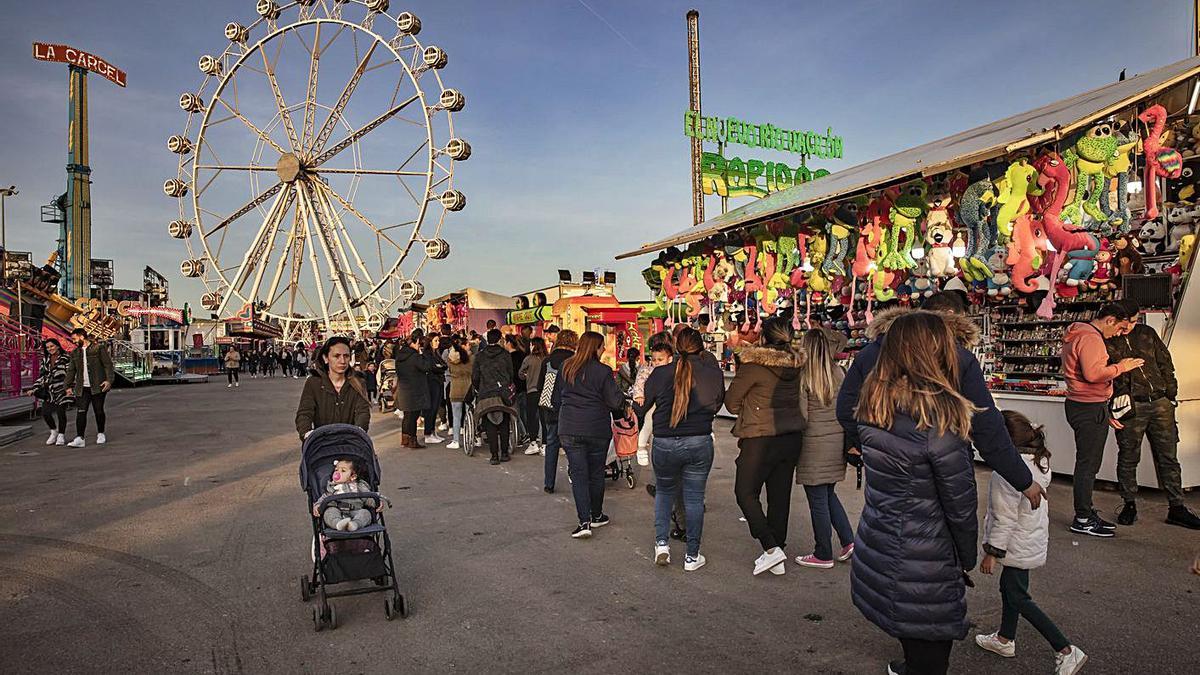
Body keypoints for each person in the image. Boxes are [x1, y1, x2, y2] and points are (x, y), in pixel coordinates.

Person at [851, 311, 980, 675]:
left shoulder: (874, 406)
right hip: (927, 555)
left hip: (883, 537)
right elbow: (961, 506)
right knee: (931, 652)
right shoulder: (938, 423)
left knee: (911, 633)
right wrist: (965, 557)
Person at [838, 296, 1042, 511]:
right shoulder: (958, 358)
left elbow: (846, 408)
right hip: (946, 468)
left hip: (887, 469)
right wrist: (1022, 480)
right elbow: (986, 427)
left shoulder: (872, 352)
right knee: (947, 529)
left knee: (886, 523)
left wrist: (877, 446)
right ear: (953, 318)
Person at [975, 411, 1088, 675]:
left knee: (1017, 595)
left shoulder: (1008, 473)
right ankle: (1005, 639)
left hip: (1014, 543)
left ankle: (1066, 649)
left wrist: (992, 552)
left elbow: (1004, 517)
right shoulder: (1038, 461)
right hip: (1029, 539)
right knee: (1010, 589)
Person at [634, 328, 724, 571]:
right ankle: (692, 556)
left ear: (676, 347)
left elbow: (643, 408)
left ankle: (661, 544)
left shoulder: (660, 373)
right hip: (698, 440)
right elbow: (717, 403)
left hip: (664, 441)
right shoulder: (711, 373)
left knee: (664, 493)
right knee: (694, 499)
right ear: (701, 348)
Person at [1105, 301, 1200, 529]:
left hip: (1159, 402)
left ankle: (1176, 507)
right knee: (1128, 457)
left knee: (1168, 456)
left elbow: (1165, 361)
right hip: (1129, 406)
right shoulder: (1107, 339)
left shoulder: (1147, 333)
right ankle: (1129, 504)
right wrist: (1111, 405)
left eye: (1137, 320)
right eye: (1131, 320)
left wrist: (1170, 393)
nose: (1134, 325)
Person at [724, 317, 808, 576]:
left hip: (760, 437)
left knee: (745, 492)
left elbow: (731, 402)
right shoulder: (799, 364)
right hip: (792, 435)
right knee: (779, 496)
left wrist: (750, 411)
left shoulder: (753, 366)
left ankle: (771, 548)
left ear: (763, 337)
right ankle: (776, 553)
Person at [1061, 302, 1143, 537]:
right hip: (1088, 406)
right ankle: (1083, 517)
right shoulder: (1091, 338)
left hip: (1082, 404)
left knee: (1087, 463)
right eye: (1119, 328)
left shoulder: (1077, 333)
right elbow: (1094, 374)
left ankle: (1085, 513)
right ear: (1109, 320)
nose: (1118, 334)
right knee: (1088, 465)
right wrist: (1121, 367)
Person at [794, 327, 856, 569]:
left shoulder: (805, 377)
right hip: (836, 441)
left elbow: (802, 416)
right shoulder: (838, 373)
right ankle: (848, 541)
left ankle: (823, 552)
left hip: (813, 444)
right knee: (828, 494)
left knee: (817, 500)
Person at [558, 330, 626, 538]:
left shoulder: (567, 367)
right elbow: (614, 401)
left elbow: (559, 394)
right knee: (596, 473)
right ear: (595, 348)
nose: (604, 348)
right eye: (602, 345)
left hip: (569, 426)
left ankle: (583, 522)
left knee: (578, 474)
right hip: (596, 427)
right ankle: (596, 515)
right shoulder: (603, 371)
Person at [295, 336, 371, 440]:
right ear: (326, 358)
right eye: (337, 356)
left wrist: (360, 430)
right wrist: (307, 433)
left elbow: (362, 412)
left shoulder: (358, 382)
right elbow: (305, 413)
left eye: (346, 356)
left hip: (350, 442)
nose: (343, 361)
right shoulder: (313, 383)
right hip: (322, 442)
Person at [537, 329, 576, 493]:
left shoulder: (547, 361)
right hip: (571, 408)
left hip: (551, 408)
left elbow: (540, 386)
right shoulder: (575, 361)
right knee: (573, 447)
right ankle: (575, 476)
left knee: (552, 444)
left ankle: (549, 483)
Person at [63, 328, 115, 448]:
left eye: (75, 339)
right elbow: (71, 370)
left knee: (99, 410)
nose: (74, 341)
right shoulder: (75, 353)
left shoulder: (98, 348)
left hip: (98, 385)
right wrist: (67, 386)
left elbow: (108, 365)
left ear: (82, 337)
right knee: (81, 411)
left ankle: (101, 433)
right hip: (82, 387)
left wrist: (109, 380)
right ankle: (80, 437)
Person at [473, 329, 516, 464]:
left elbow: (475, 376)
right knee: (504, 423)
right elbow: (511, 374)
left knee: (490, 424)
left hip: (486, 393)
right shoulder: (505, 355)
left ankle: (494, 456)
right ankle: (504, 453)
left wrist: (478, 387)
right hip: (502, 393)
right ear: (499, 340)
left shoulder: (480, 356)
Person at [313, 458, 379, 532]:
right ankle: (338, 524)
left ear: (353, 477)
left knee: (365, 513)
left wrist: (377, 502)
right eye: (336, 470)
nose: (337, 473)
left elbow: (368, 498)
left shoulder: (359, 486)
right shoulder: (332, 487)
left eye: (343, 470)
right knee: (329, 512)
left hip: (356, 510)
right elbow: (324, 497)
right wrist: (318, 505)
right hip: (338, 511)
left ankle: (355, 524)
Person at [393, 332, 431, 448]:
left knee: (407, 416)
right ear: (417, 342)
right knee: (413, 416)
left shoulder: (400, 356)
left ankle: (405, 439)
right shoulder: (415, 357)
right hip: (415, 390)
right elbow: (426, 366)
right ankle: (412, 441)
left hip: (404, 389)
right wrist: (422, 353)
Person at [30, 339, 71, 446]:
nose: (50, 349)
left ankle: (61, 434)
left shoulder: (66, 358)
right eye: (47, 348)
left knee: (61, 412)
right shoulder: (45, 360)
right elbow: (42, 376)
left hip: (62, 389)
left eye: (52, 346)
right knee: (45, 413)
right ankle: (53, 431)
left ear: (57, 346)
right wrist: (34, 388)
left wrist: (70, 387)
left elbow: (70, 374)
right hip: (49, 391)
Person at [519, 337, 548, 455]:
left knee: (532, 417)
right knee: (544, 418)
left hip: (531, 390)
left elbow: (520, 373)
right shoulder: (546, 359)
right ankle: (545, 444)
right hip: (545, 391)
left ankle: (533, 442)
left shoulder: (529, 359)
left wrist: (527, 375)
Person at [446, 339, 472, 450]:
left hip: (455, 389)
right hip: (468, 389)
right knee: (469, 415)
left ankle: (455, 440)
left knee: (456, 417)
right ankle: (472, 438)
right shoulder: (470, 359)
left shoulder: (450, 361)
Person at [422, 336, 448, 445]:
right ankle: (428, 433)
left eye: (438, 341)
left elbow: (444, 365)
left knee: (436, 407)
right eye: (435, 341)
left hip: (438, 381)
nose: (437, 343)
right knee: (431, 409)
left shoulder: (436, 353)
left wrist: (440, 367)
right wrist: (439, 367)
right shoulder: (427, 354)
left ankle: (432, 432)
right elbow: (433, 367)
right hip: (431, 383)